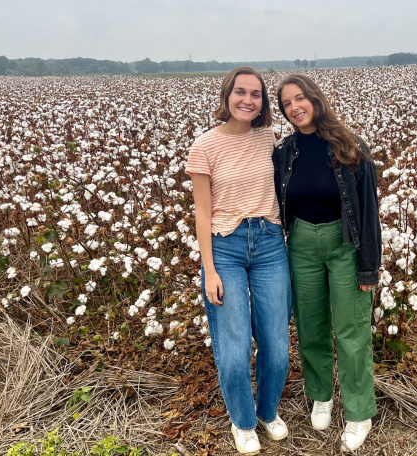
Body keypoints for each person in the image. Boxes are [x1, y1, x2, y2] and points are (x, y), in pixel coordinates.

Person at [273, 74, 381, 453]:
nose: (295, 107)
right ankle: (321, 394)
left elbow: (369, 212)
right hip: (301, 243)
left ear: (315, 100)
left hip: (344, 244)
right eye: (287, 103)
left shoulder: (350, 147)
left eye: (300, 98)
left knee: (351, 331)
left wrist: (369, 266)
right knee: (311, 324)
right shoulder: (284, 151)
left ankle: (358, 412)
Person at [186, 67, 291, 455]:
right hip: (225, 248)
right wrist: (209, 269)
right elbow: (202, 213)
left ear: (263, 102)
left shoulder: (269, 138)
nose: (248, 100)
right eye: (240, 92)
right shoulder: (205, 147)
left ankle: (266, 411)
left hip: (269, 245)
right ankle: (243, 421)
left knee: (277, 344)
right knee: (233, 348)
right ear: (227, 95)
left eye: (256, 94)